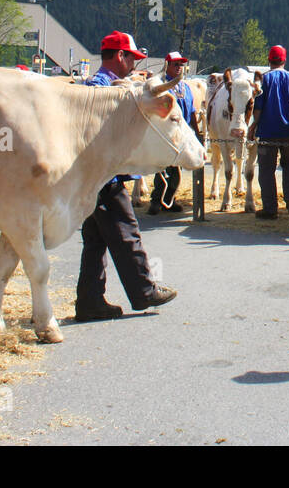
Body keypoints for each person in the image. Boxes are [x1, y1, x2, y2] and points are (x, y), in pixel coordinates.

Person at [74, 31, 177, 322]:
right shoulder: (104, 88)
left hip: (93, 175)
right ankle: (144, 291)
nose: (134, 65)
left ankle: (89, 301)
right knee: (126, 231)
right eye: (132, 58)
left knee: (95, 240)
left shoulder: (96, 84)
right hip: (106, 175)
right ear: (120, 56)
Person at [250, 45, 289, 219]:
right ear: (284, 60)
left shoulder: (263, 80)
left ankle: (270, 208)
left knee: (266, 170)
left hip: (267, 132)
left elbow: (257, 108)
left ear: (269, 60)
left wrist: (253, 127)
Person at [147, 52, 202, 217]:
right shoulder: (161, 85)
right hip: (165, 134)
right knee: (163, 169)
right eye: (175, 64)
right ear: (167, 65)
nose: (179, 68)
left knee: (176, 170)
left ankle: (169, 199)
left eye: (181, 64)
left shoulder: (185, 88)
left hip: (181, 135)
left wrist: (197, 132)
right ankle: (156, 201)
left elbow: (192, 110)